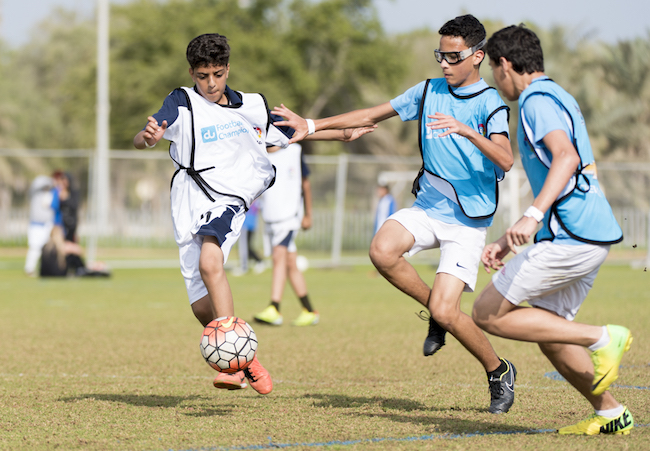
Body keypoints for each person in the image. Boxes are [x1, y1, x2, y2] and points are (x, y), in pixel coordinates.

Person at [273, 15, 517, 413]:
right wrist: (311, 124)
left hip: (467, 220)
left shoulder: (490, 104)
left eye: (453, 57)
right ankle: (440, 315)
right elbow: (371, 114)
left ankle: (498, 370)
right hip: (428, 207)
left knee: (445, 308)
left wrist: (468, 131)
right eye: (440, 55)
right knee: (382, 251)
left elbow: (505, 160)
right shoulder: (427, 91)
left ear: (477, 56)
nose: (444, 63)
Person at [132, 33, 373, 395]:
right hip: (188, 199)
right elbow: (147, 134)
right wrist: (147, 138)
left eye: (217, 74)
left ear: (228, 69)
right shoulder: (181, 101)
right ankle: (246, 359)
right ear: (191, 73)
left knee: (211, 264)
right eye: (202, 75)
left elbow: (291, 132)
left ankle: (230, 369)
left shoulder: (253, 106)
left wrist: (341, 134)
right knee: (201, 306)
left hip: (229, 197)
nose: (210, 83)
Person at [472, 25, 633, 435]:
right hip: (588, 235)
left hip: (572, 235)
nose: (495, 78)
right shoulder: (558, 95)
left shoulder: (535, 100)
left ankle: (602, 337)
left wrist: (533, 214)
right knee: (552, 333)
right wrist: (512, 239)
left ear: (505, 64)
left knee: (486, 314)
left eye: (493, 68)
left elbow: (565, 157)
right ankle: (612, 412)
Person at [253, 143, 319, 327]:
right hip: (270, 218)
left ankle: (274, 308)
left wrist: (308, 214)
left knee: (278, 258)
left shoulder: (294, 151)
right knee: (290, 264)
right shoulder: (259, 154)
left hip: (289, 218)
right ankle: (309, 311)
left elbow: (305, 183)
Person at [39, 225, 110, 277]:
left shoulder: (45, 246)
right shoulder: (61, 246)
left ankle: (84, 269)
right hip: (57, 274)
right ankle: (83, 269)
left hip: (44, 274)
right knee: (73, 257)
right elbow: (79, 250)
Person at [24, 175, 59, 276]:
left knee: (47, 249)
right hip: (36, 225)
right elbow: (37, 184)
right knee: (35, 247)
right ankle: (29, 269)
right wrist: (49, 181)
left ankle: (44, 268)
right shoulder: (35, 194)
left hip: (47, 225)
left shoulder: (51, 195)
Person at [232, 200, 265, 276]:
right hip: (249, 225)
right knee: (247, 247)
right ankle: (258, 261)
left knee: (244, 247)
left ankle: (244, 267)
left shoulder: (250, 200)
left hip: (246, 225)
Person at [53, 171, 80, 243]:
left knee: (71, 243)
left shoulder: (74, 192)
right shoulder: (59, 191)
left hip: (71, 224)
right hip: (61, 223)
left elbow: (75, 205)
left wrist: (65, 199)